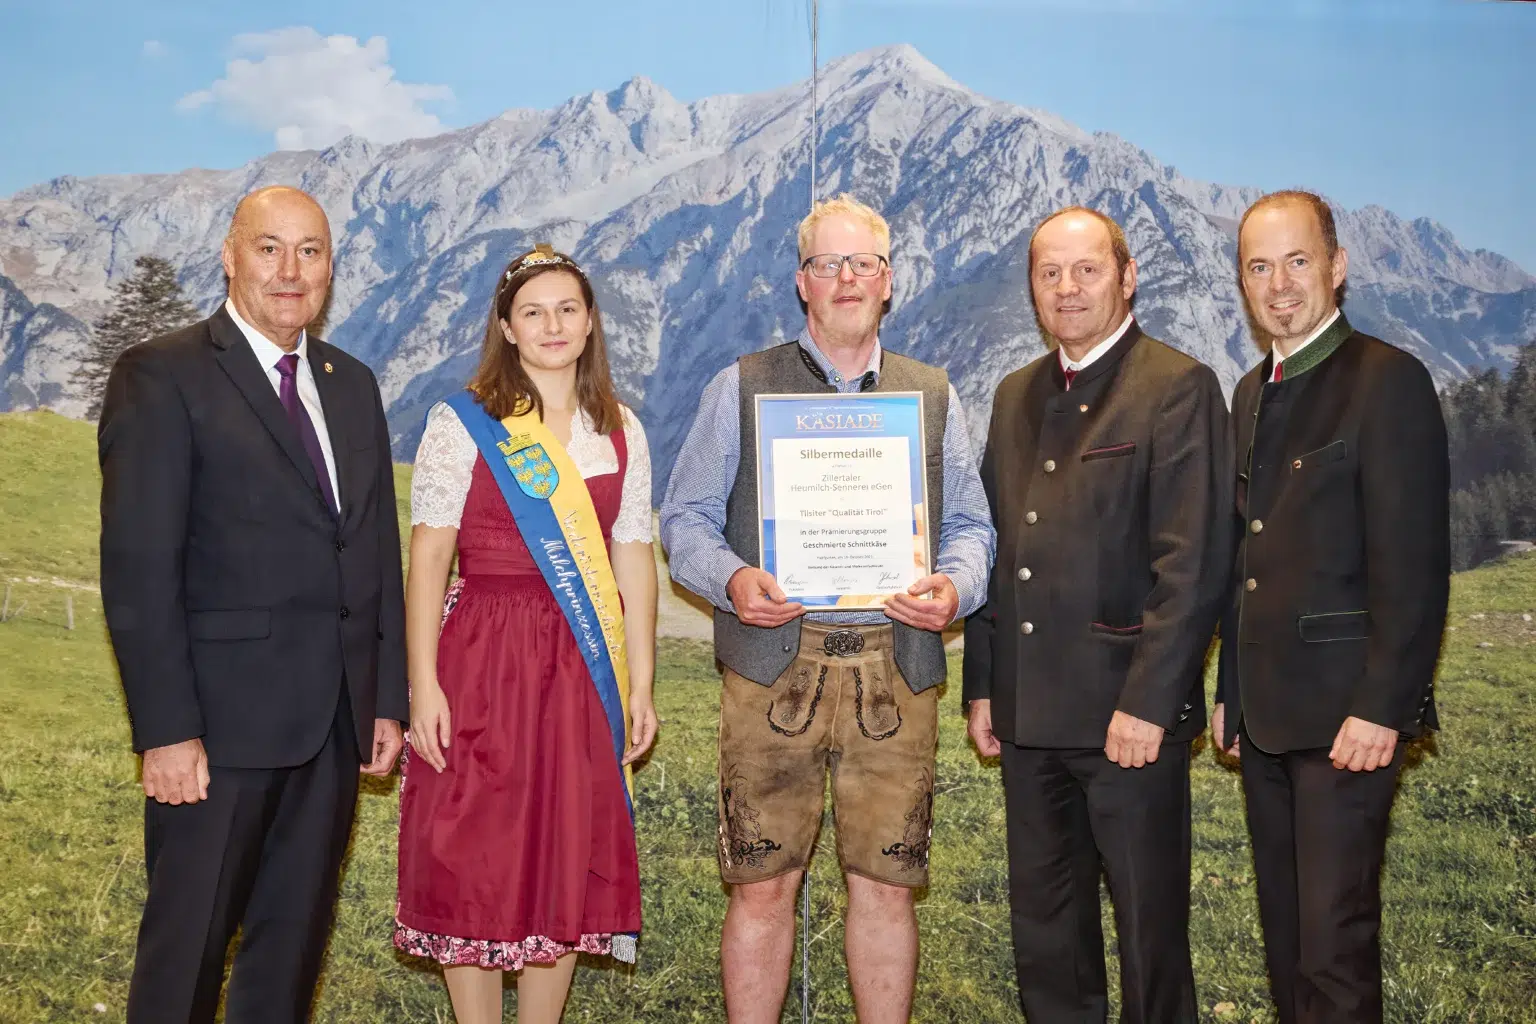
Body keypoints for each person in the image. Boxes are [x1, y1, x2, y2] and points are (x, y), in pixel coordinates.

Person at [659, 193, 995, 1024]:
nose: (845, 278)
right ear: (801, 284)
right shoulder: (740, 385)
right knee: (763, 887)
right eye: (825, 264)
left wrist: (954, 586)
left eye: (862, 264)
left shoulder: (934, 394)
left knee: (885, 888)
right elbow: (684, 519)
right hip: (772, 674)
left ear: (889, 281)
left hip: (898, 673)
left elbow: (971, 527)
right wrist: (734, 580)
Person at [98, 185, 407, 1024]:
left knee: (289, 955)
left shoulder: (352, 385)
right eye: (269, 247)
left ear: (331, 269)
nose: (290, 270)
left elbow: (374, 547)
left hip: (334, 729)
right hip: (215, 734)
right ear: (230, 255)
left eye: (310, 251)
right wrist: (165, 728)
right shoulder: (162, 374)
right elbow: (138, 567)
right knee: (184, 958)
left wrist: (384, 699)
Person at [962, 206, 1231, 1023]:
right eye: (1050, 273)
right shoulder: (1014, 395)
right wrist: (984, 685)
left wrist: (1150, 705)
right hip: (1029, 717)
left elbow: (1192, 566)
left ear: (1127, 275)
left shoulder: (1177, 387)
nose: (1067, 288)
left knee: (1150, 936)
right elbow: (997, 548)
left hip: (1128, 721)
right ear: (1033, 289)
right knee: (1046, 936)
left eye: (1086, 270)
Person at [395, 244, 658, 1024]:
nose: (552, 325)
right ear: (507, 327)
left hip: (582, 664)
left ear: (590, 324)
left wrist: (641, 682)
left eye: (567, 309)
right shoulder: (462, 420)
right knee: (471, 844)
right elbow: (430, 557)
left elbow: (633, 557)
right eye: (533, 311)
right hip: (481, 654)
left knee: (564, 845)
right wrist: (423, 685)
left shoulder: (621, 428)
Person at [1213, 190, 1450, 1024]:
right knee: (1286, 943)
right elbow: (1249, 556)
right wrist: (1230, 695)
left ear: (1338, 267)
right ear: (1243, 284)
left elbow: (1416, 570)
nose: (1280, 285)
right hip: (1268, 721)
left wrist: (1385, 708)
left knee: (1335, 948)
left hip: (1350, 722)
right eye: (1259, 267)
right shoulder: (1249, 393)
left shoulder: (1388, 380)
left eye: (1298, 261)